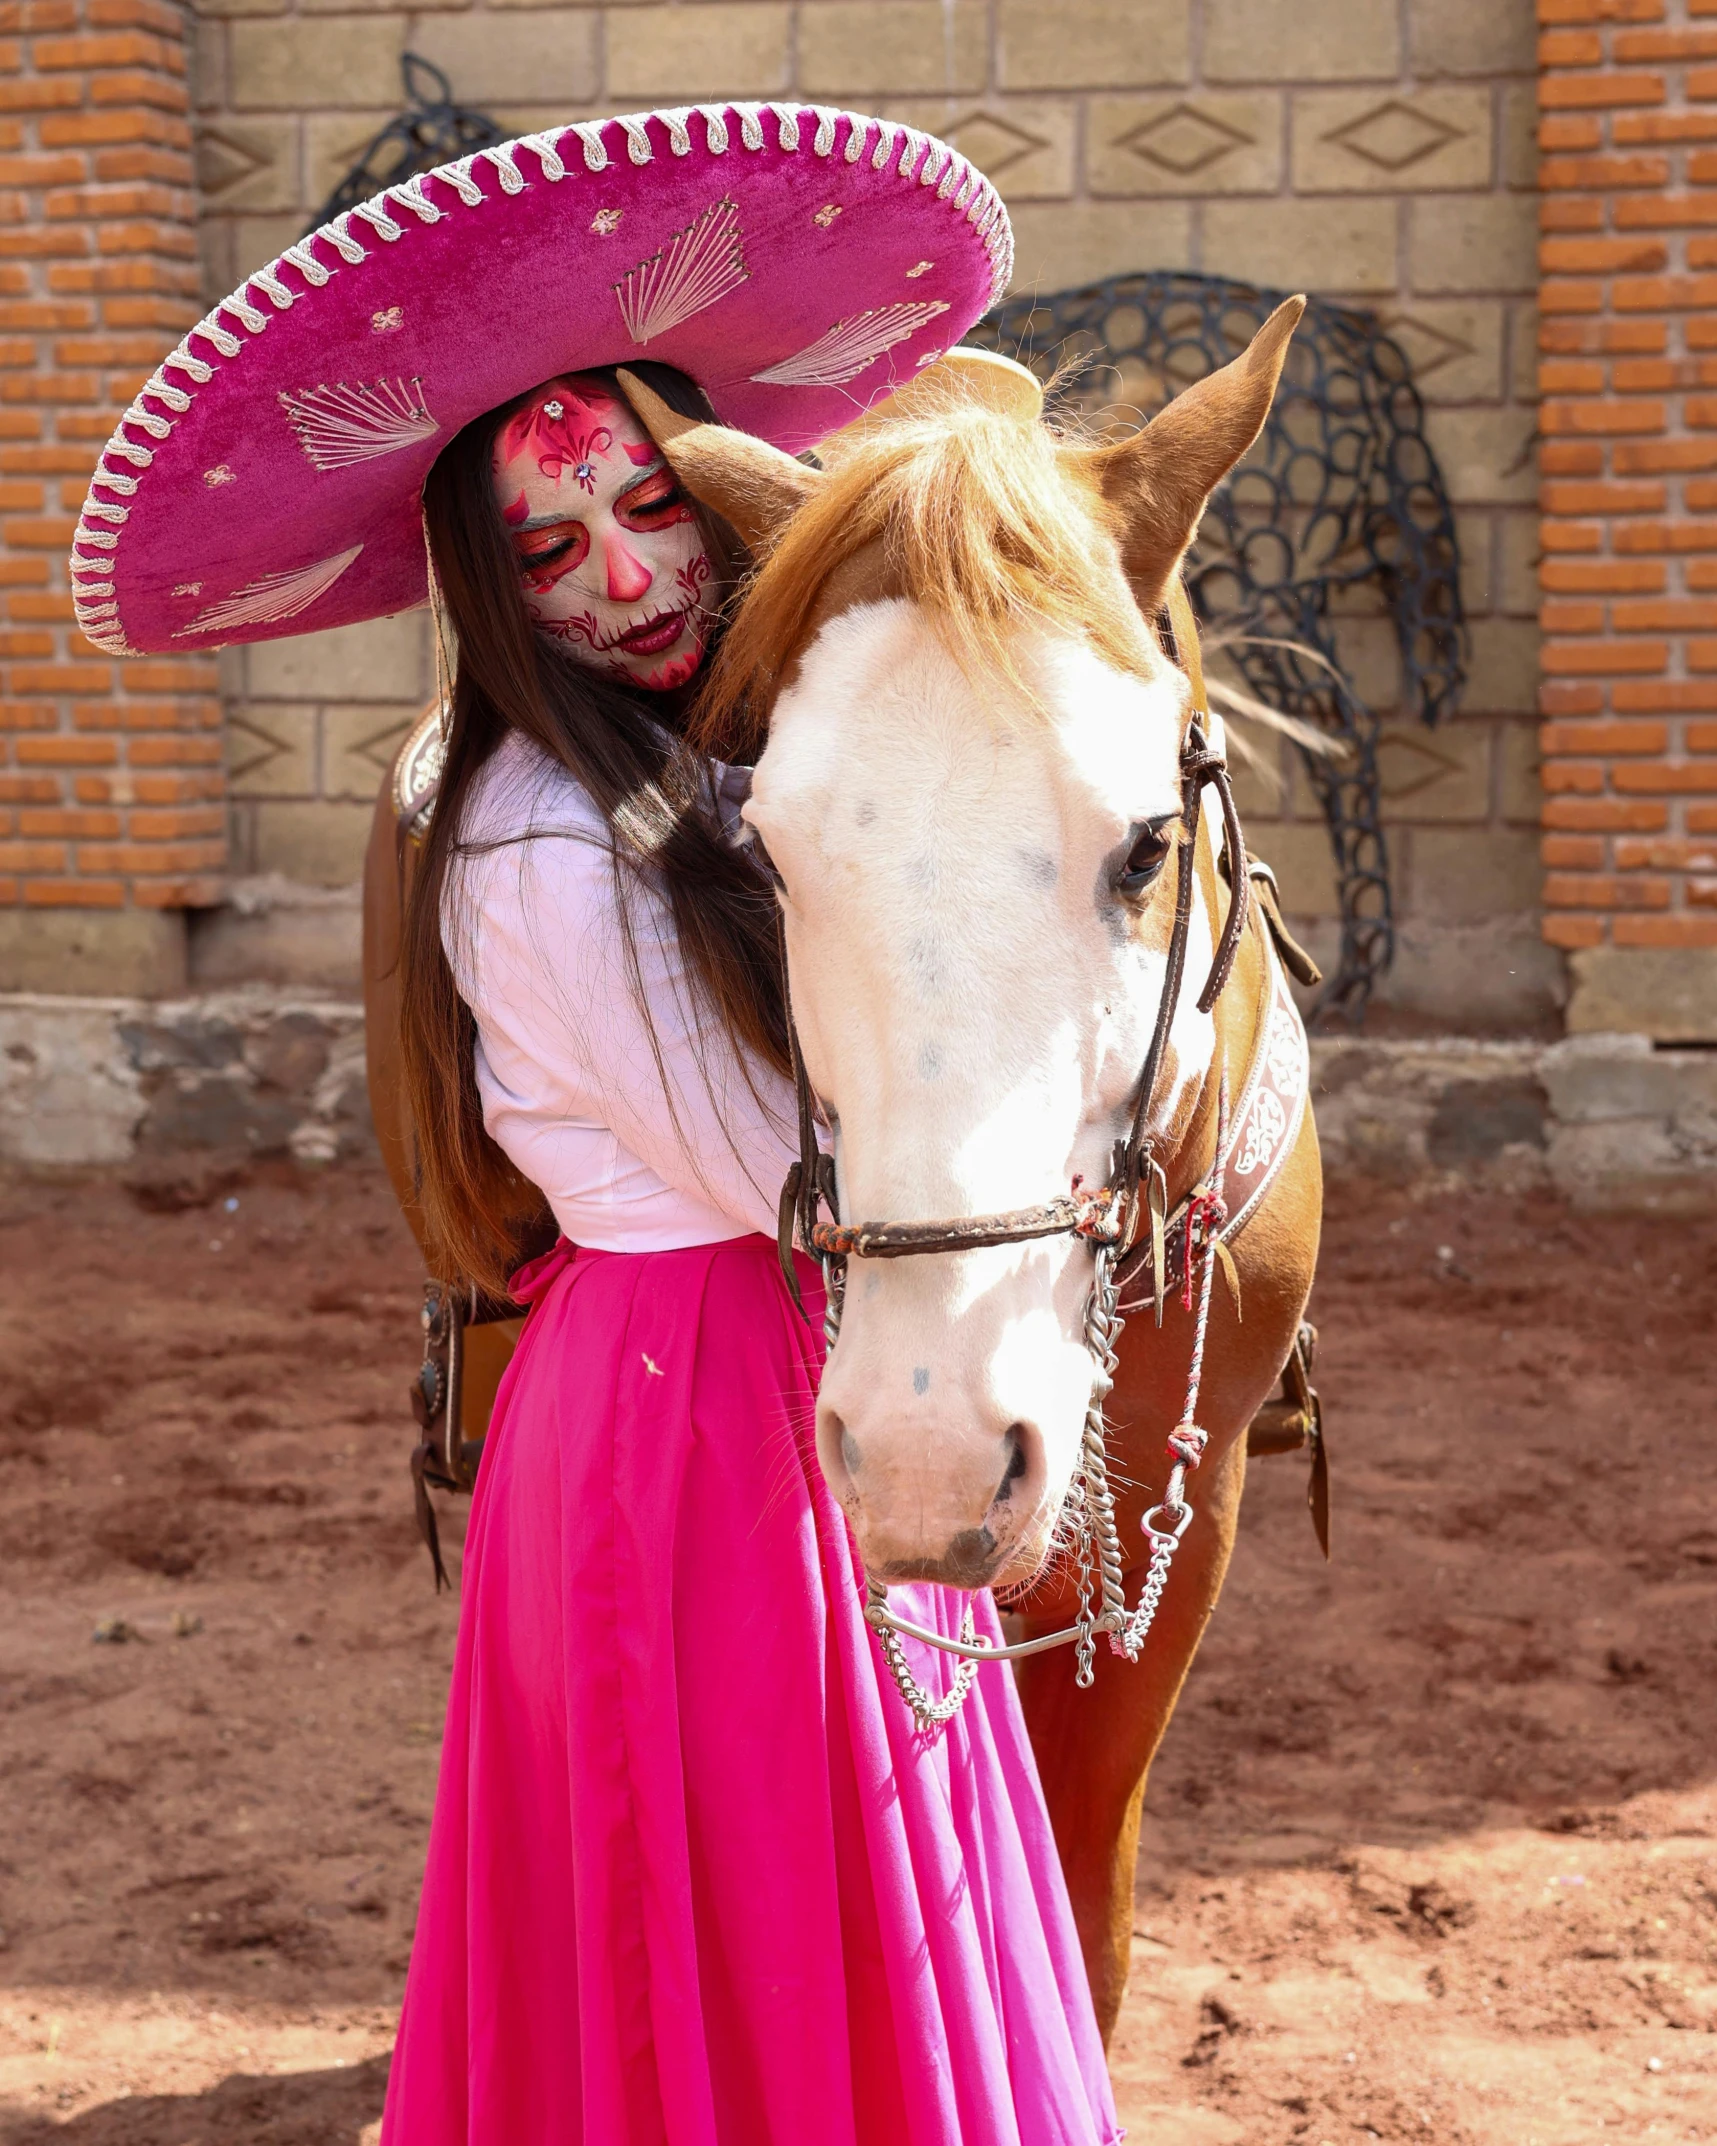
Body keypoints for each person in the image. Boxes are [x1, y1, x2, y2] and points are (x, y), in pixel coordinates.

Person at [74, 102, 1119, 2145]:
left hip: (735, 1388)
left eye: (651, 502)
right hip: (695, 1421)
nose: (630, 574)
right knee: (713, 1934)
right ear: (488, 589)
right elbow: (793, 1179)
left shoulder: (700, 772)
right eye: (551, 550)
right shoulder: (548, 838)